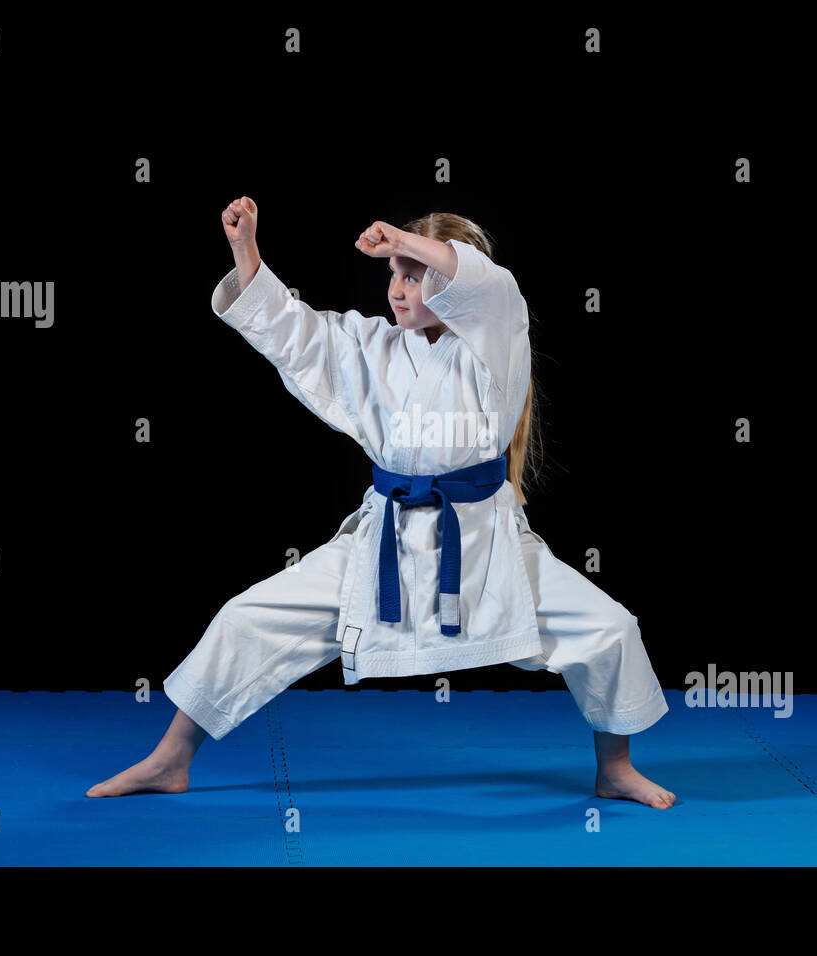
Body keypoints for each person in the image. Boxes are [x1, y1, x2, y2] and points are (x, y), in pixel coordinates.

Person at [86, 196, 675, 809]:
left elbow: (491, 286)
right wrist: (245, 251)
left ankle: (615, 768)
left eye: (415, 276)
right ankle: (169, 759)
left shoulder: (495, 338)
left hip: (483, 543)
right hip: (386, 540)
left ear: (453, 286)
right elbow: (293, 330)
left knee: (609, 628)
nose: (397, 289)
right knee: (245, 617)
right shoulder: (373, 346)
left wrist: (406, 240)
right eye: (393, 274)